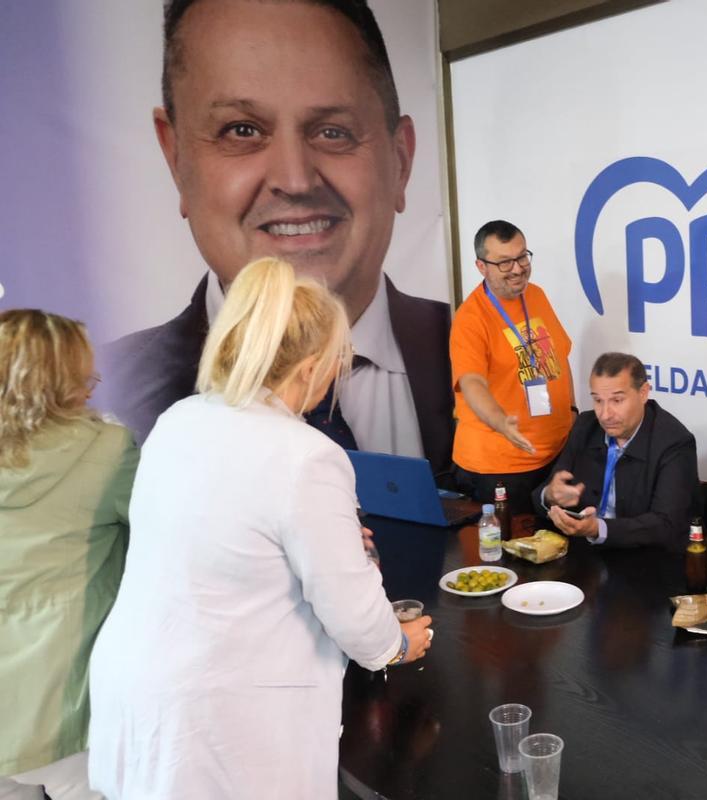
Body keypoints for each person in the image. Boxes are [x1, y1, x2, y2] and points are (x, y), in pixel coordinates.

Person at [88, 258, 433, 799]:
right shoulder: (308, 456)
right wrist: (395, 646)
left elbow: (222, 541)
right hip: (225, 723)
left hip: (140, 698)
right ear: (308, 369)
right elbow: (355, 616)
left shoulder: (179, 420)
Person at [101, 0, 454, 476]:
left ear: (401, 161)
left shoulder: (469, 348)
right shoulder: (107, 395)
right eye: (241, 130)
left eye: (333, 131)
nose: (295, 179)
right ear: (175, 156)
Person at [0, 311, 137, 800]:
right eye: (84, 371)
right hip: (71, 708)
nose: (91, 384)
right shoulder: (109, 450)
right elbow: (171, 538)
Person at [450, 220, 574, 514]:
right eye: (505, 263)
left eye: (521, 257)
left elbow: (560, 356)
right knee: (507, 556)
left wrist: (572, 412)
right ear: (482, 267)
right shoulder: (471, 318)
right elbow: (471, 383)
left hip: (553, 457)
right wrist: (500, 422)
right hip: (499, 468)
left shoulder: (536, 295)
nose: (518, 269)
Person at [535, 353, 698, 549]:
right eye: (598, 401)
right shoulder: (585, 426)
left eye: (617, 401)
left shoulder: (674, 442)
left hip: (647, 559)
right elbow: (541, 495)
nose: (605, 414)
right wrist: (550, 496)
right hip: (584, 552)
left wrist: (598, 529)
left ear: (644, 393)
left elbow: (665, 524)